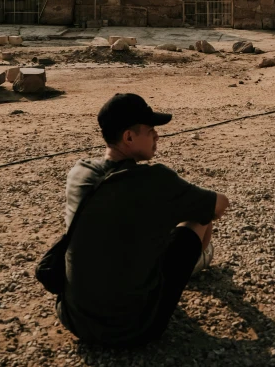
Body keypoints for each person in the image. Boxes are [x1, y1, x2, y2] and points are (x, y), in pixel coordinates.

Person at [56, 93, 229, 347]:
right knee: (198, 217)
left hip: (74, 318)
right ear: (128, 137)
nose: (157, 136)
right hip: (135, 328)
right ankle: (197, 263)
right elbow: (219, 205)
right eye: (150, 131)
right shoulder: (155, 181)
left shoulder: (79, 172)